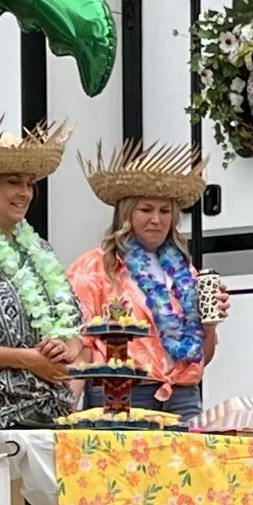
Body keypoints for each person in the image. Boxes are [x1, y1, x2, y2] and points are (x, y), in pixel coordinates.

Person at [69, 142, 217, 424]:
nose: (156, 219)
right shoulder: (94, 267)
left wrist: (209, 324)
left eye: (164, 211)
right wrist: (67, 409)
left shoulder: (186, 273)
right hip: (121, 398)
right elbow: (80, 345)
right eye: (146, 209)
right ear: (126, 214)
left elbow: (201, 356)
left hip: (183, 398)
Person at [0, 122, 81, 430]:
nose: (24, 193)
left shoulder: (42, 251)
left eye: (29, 183)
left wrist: (67, 348)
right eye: (13, 182)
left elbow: (76, 331)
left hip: (50, 415)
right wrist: (25, 358)